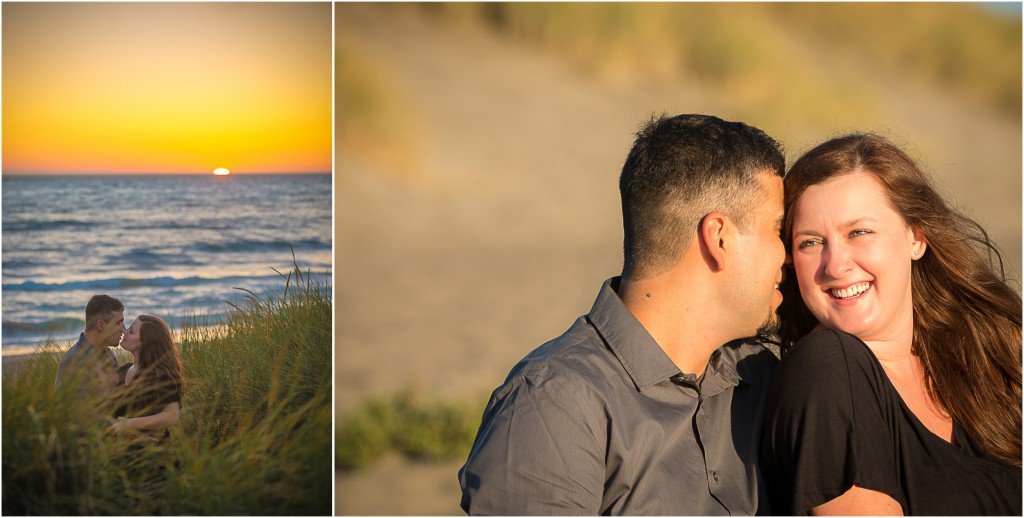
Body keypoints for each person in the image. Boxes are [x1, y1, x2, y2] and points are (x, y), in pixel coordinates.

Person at [458, 114, 787, 514]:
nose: (787, 254)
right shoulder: (554, 406)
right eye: (778, 229)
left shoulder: (759, 375)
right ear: (719, 238)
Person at [761, 133, 1022, 515]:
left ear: (916, 237)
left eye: (859, 232)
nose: (835, 265)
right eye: (810, 242)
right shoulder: (825, 369)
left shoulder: (984, 358)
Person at [109, 315, 184, 440]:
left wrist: (129, 424)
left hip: (151, 450)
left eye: (131, 331)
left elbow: (172, 415)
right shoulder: (123, 371)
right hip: (120, 448)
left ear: (145, 342)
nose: (124, 331)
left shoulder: (159, 374)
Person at [54, 294, 127, 416]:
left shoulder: (108, 354)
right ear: (101, 325)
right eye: (118, 323)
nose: (123, 329)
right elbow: (77, 414)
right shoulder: (75, 360)